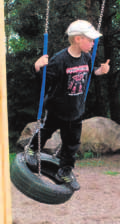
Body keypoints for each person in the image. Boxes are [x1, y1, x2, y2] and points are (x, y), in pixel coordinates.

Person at [25, 20, 110, 191]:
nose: (93, 44)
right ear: (78, 39)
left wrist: (99, 72)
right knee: (46, 131)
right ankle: (32, 149)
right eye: (90, 40)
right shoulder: (60, 60)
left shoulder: (86, 58)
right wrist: (37, 67)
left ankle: (64, 171)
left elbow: (88, 75)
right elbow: (45, 81)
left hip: (76, 110)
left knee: (72, 144)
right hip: (57, 108)